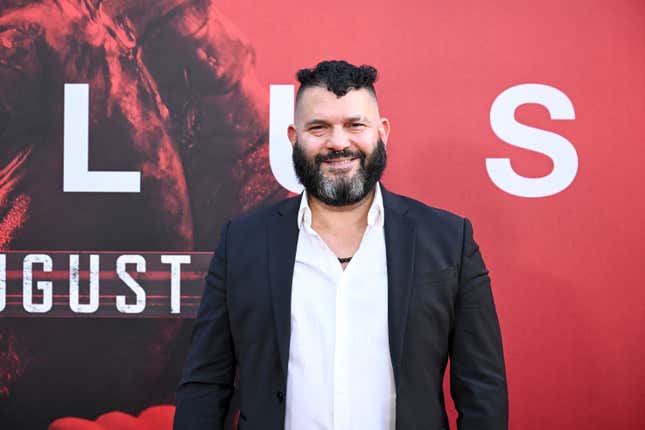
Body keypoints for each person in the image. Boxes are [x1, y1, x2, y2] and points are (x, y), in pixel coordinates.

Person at [173, 60, 508, 430]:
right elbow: (206, 383)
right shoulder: (242, 242)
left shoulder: (447, 240)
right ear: (293, 137)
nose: (338, 142)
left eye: (354, 125)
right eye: (318, 127)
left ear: (382, 132)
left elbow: (482, 389)